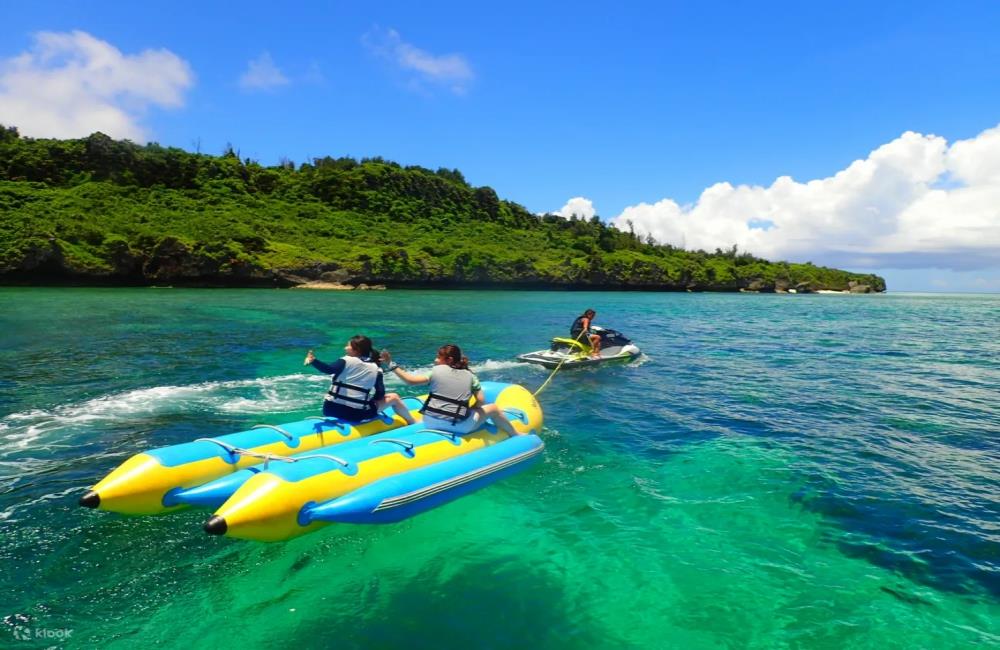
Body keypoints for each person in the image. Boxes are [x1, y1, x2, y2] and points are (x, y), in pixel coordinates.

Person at [380, 344, 520, 436]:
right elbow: (481, 400)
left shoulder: (435, 371)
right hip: (458, 426)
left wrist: (391, 364)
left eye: (438, 357)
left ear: (449, 359)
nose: (435, 360)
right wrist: (473, 410)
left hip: (429, 421)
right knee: (494, 408)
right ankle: (515, 434)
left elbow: (410, 381)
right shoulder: (470, 376)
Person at [304, 335, 416, 425]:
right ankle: (412, 422)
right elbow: (380, 393)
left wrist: (313, 361)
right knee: (394, 397)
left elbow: (328, 370)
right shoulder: (376, 369)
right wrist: (369, 401)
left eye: (347, 345)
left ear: (356, 350)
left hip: (330, 409)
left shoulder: (345, 361)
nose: (345, 348)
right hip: (356, 415)